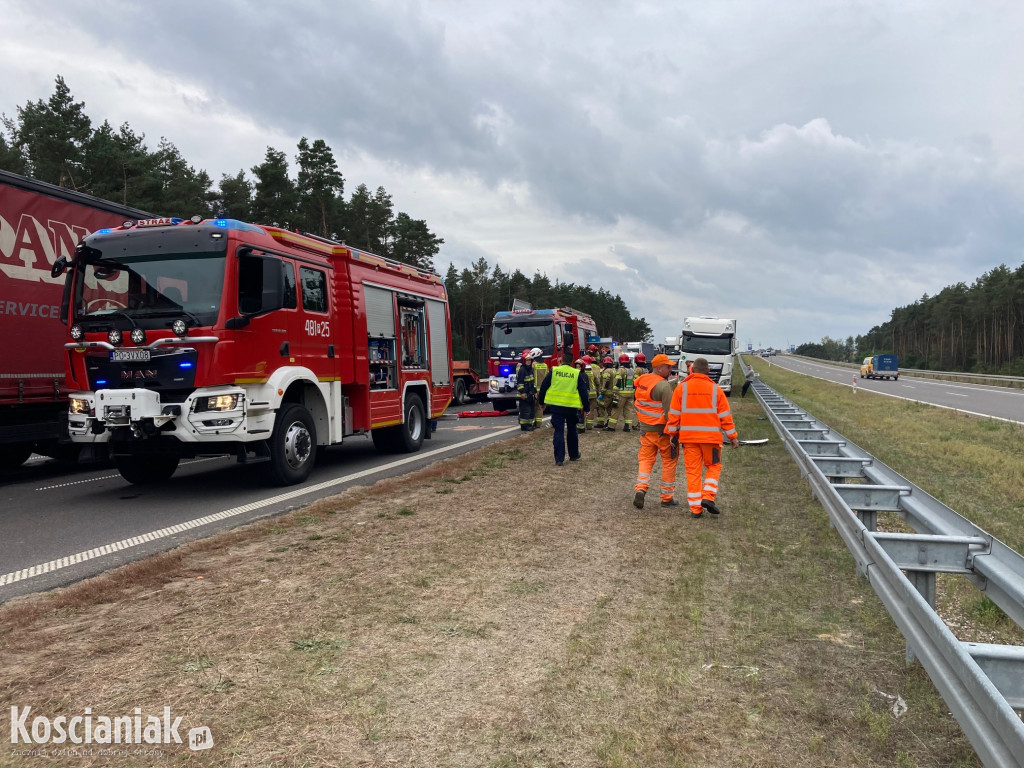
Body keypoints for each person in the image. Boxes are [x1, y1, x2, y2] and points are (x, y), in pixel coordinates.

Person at [666, 357, 740, 518]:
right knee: (714, 467)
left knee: (693, 473)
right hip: (711, 439)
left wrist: (672, 435)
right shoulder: (716, 389)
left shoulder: (681, 388)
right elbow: (725, 416)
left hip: (689, 439)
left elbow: (674, 415)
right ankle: (708, 497)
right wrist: (732, 437)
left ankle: (695, 509)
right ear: (708, 371)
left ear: (691, 370)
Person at [632, 354, 679, 509]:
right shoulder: (663, 386)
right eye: (669, 367)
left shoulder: (642, 380)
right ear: (660, 368)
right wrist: (674, 434)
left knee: (645, 460)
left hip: (645, 430)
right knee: (669, 462)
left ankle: (641, 488)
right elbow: (669, 414)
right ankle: (667, 497)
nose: (671, 370)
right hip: (663, 433)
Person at [537, 351, 589, 466]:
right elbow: (583, 391)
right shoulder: (576, 373)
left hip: (557, 407)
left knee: (558, 432)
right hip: (571, 407)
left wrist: (541, 402)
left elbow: (544, 386)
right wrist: (586, 408)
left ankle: (559, 459)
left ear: (561, 360)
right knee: (572, 431)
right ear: (572, 362)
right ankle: (574, 455)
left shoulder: (554, 371)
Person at [612, 353, 638, 432]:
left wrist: (615, 391)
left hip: (621, 393)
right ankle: (628, 426)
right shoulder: (631, 370)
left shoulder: (621, 369)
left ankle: (611, 426)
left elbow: (618, 380)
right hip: (630, 393)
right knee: (629, 410)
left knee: (616, 409)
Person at [515, 349, 537, 431]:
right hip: (524, 394)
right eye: (527, 360)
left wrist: (535, 392)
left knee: (531, 410)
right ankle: (524, 426)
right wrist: (523, 393)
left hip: (530, 393)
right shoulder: (522, 370)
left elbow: (532, 381)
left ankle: (529, 424)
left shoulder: (530, 369)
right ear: (524, 361)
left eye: (530, 360)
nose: (528, 361)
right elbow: (520, 383)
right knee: (525, 410)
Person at [530, 347, 548, 428]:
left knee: (531, 406)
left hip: (534, 390)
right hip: (543, 390)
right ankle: (538, 424)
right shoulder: (545, 365)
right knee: (540, 408)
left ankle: (530, 423)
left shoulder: (533, 365)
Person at [599, 356, 617, 430]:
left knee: (601, 405)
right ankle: (609, 422)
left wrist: (602, 392)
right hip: (613, 393)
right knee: (610, 409)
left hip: (607, 393)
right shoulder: (614, 370)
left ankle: (602, 423)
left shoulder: (606, 371)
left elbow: (606, 381)